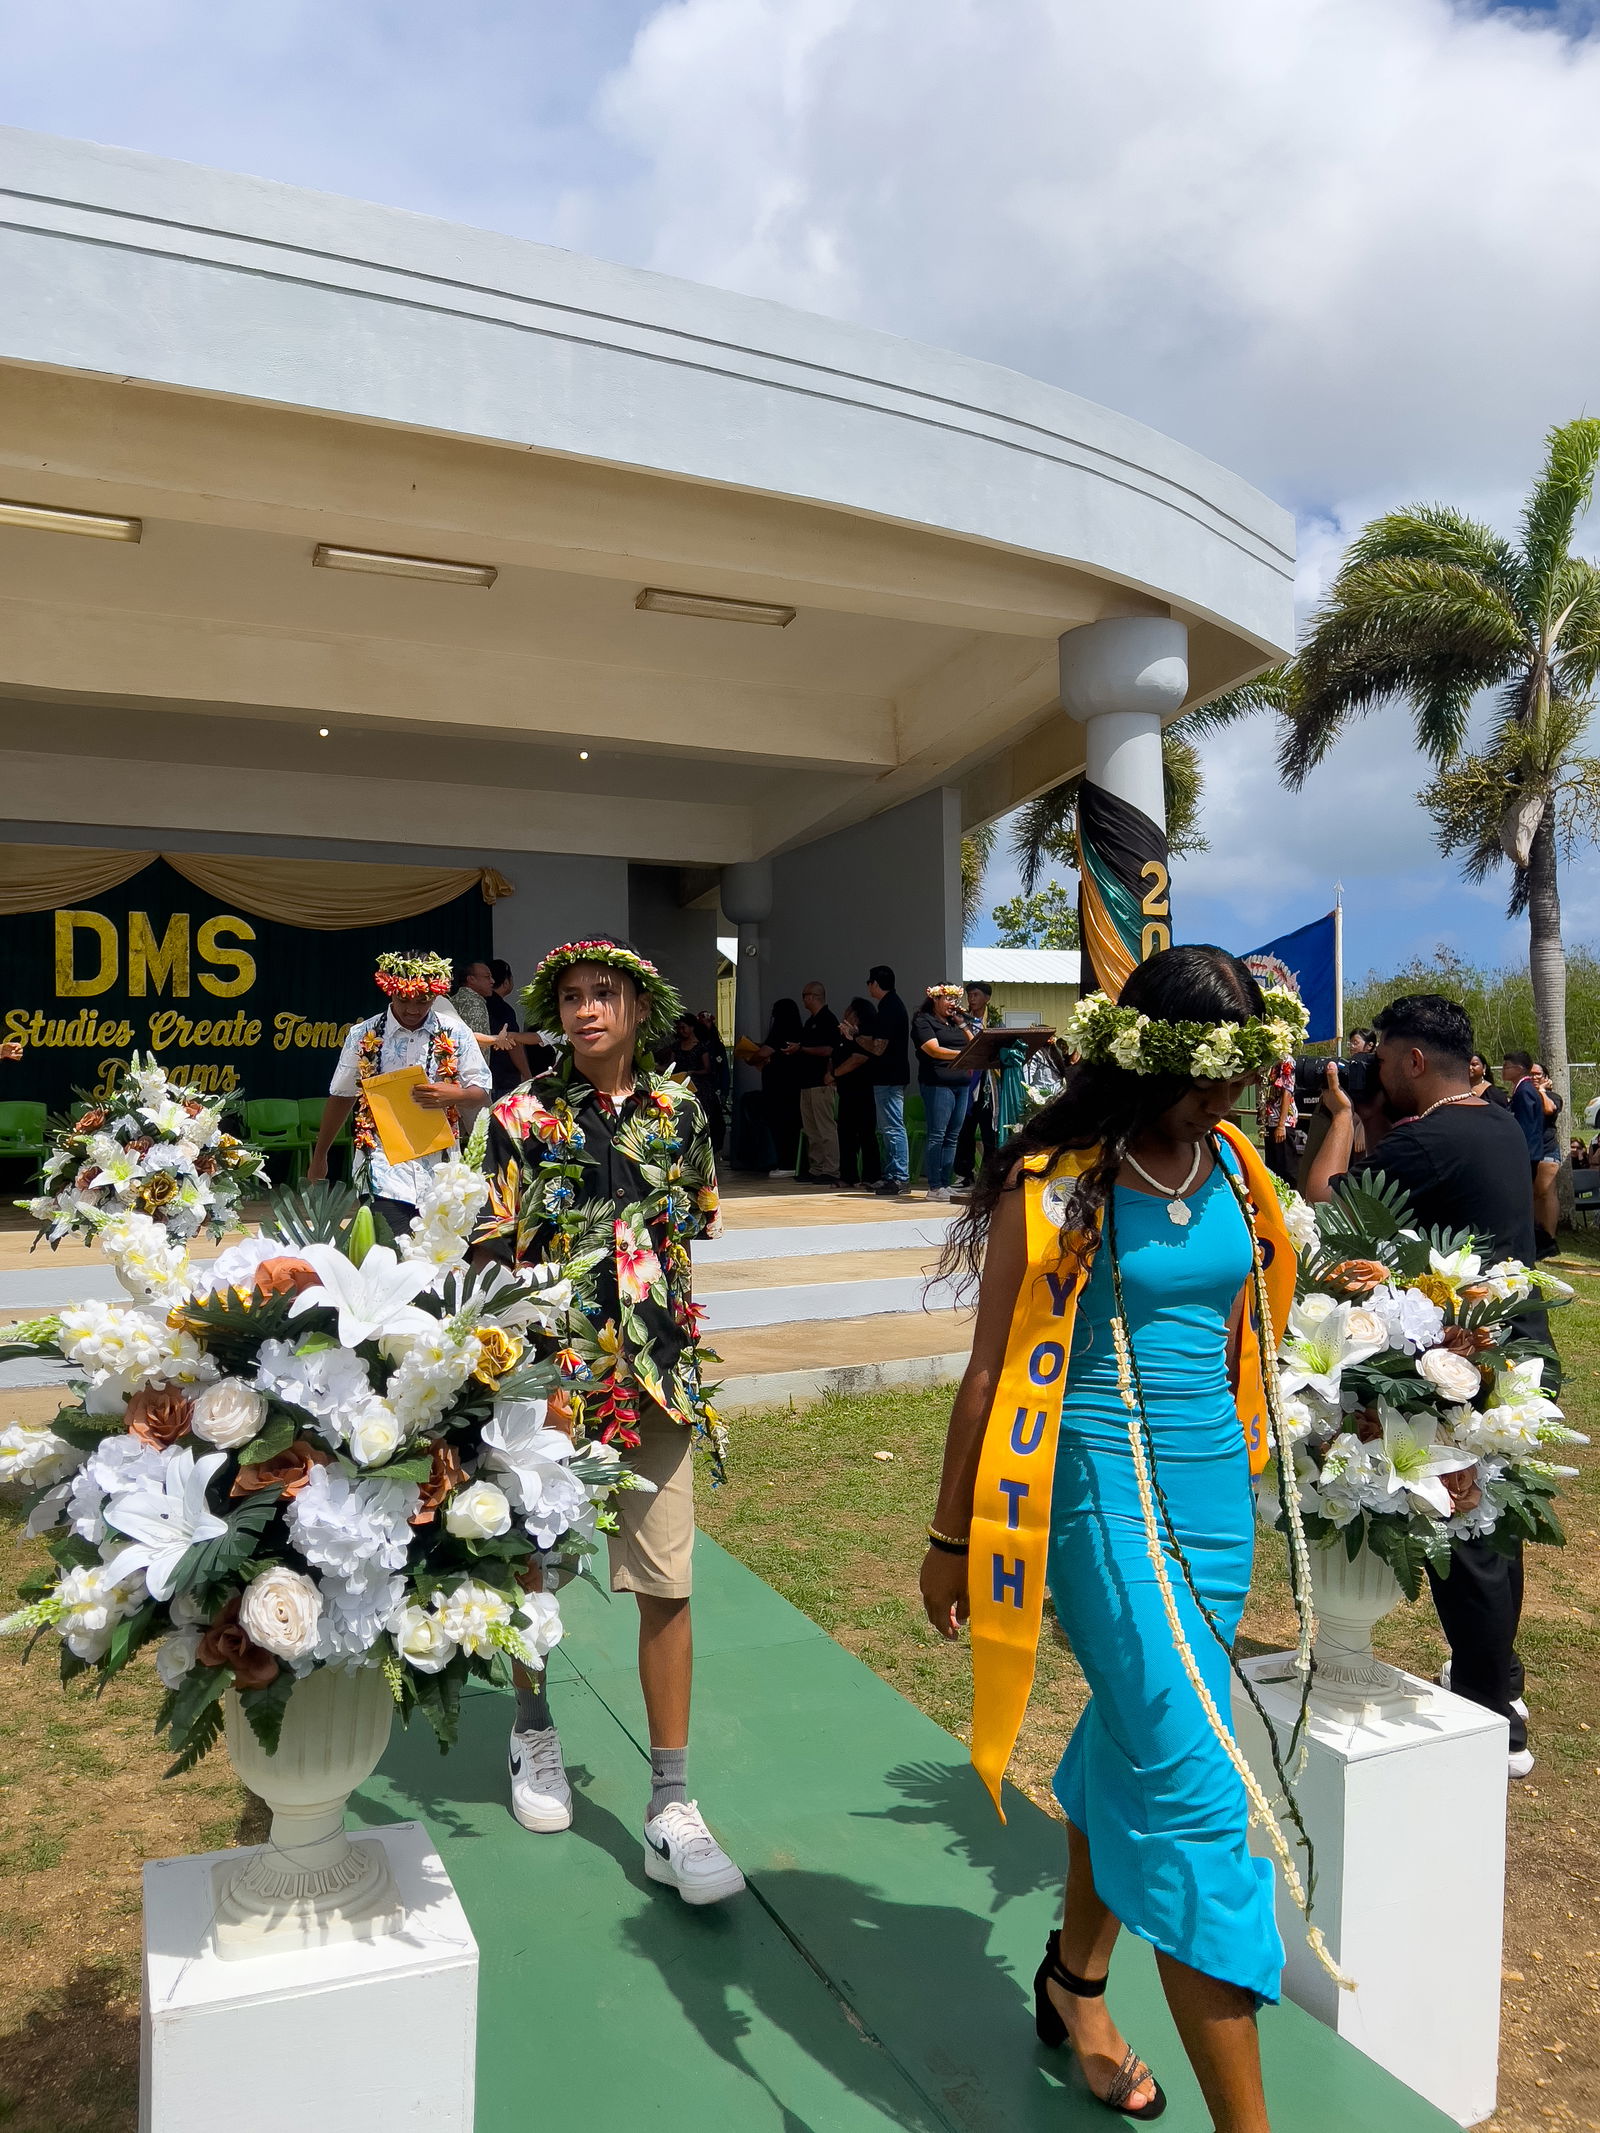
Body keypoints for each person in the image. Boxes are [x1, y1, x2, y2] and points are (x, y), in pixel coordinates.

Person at [923, 947, 1315, 2133]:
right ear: (1146, 1062)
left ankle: (1073, 1986)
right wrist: (950, 1532)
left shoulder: (1236, 1166)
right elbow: (989, 1368)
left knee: (1136, 1738)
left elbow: (1245, 1323)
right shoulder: (1055, 1178)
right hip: (1097, 1497)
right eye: (1208, 1079)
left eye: (1241, 1077)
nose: (1231, 1100)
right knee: (1199, 1797)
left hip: (1215, 1503)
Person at [471, 936, 743, 1903]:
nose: (588, 1011)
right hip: (555, 1376)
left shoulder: (679, 1109)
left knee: (667, 1581)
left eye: (605, 994)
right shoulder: (515, 1116)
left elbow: (697, 1215)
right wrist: (531, 1365)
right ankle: (532, 1730)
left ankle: (671, 1804)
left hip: (660, 1377)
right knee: (531, 1564)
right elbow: (485, 1245)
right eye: (573, 997)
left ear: (639, 1008)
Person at [1307, 996, 1547, 1778]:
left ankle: (1491, 1713)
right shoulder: (1497, 1123)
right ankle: (1500, 1685)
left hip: (1458, 1356)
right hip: (1507, 1339)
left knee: (1463, 1522)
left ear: (1413, 1061)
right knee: (1490, 1521)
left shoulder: (1431, 1141)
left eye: (1381, 1062)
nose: (1372, 1073)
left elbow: (1328, 1206)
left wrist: (1342, 1114)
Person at [310, 948, 492, 1233]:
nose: (412, 1009)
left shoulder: (456, 1033)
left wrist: (455, 1095)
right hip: (382, 1169)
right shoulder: (363, 1035)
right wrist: (320, 1156)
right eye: (403, 999)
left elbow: (482, 1092)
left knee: (437, 1258)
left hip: (442, 1173)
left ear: (437, 995)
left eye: (423, 1001)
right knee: (390, 1251)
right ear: (389, 990)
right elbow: (342, 1096)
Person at [913, 984, 972, 1201]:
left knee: (953, 1136)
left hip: (962, 1084)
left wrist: (964, 1024)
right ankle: (934, 1186)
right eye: (948, 999)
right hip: (938, 1084)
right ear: (935, 999)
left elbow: (975, 1045)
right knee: (937, 1134)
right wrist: (963, 1055)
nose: (953, 1004)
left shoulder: (955, 1023)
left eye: (955, 1000)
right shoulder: (923, 1020)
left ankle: (946, 1184)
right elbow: (933, 1050)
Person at [858, 963, 911, 1198]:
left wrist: (854, 1037)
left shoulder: (889, 1008)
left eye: (869, 982)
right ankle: (890, 1175)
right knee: (887, 1128)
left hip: (889, 1076)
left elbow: (878, 1048)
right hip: (888, 1076)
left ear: (876, 984)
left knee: (892, 1127)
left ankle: (899, 1177)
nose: (868, 987)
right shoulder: (891, 1005)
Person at [1501, 1050, 1553, 1256]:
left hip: (1527, 1153)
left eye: (1507, 1066)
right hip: (1528, 1152)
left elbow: (1526, 1126)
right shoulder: (1521, 1089)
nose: (1503, 1070)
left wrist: (1518, 1150)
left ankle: (1541, 1242)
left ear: (1520, 1068)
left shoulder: (1524, 1091)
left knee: (1522, 1198)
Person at [830, 998, 881, 1189]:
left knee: (866, 1134)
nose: (845, 1013)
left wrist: (834, 1074)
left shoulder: (865, 1035)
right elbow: (835, 1055)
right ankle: (848, 1175)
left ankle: (871, 1175)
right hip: (846, 1091)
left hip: (863, 1089)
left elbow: (858, 1059)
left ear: (856, 1015)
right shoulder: (842, 1035)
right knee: (846, 1133)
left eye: (849, 1011)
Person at [954, 980, 1002, 1189]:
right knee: (964, 1128)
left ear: (987, 998)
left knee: (988, 1129)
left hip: (988, 1081)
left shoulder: (995, 1023)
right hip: (967, 1079)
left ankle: (988, 1176)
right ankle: (964, 1174)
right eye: (969, 995)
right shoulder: (960, 1020)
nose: (971, 999)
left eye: (975, 995)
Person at [795, 981, 842, 1185]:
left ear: (813, 996)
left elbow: (830, 1050)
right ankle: (817, 1168)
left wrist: (802, 1049)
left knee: (825, 1127)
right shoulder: (810, 1021)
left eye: (805, 995)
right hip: (807, 1082)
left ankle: (831, 1169)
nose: (803, 999)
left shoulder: (827, 1020)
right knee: (811, 1129)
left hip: (822, 1082)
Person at [753, 997, 804, 1176]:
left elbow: (763, 1052)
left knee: (780, 1125)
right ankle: (795, 1163)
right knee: (793, 1124)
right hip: (794, 1086)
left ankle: (786, 1164)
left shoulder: (780, 1029)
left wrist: (753, 1057)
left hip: (778, 1087)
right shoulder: (800, 1029)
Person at [485, 958, 532, 1095]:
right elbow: (513, 1043)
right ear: (506, 982)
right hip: (503, 1079)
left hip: (486, 1078)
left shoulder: (481, 1003)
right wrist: (527, 1075)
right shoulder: (503, 1009)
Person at [1531, 1063, 1564, 1246]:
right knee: (1534, 1194)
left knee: (1546, 1192)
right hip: (1529, 1151)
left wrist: (1542, 1091)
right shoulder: (1523, 1096)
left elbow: (1548, 1110)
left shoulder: (1553, 1097)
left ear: (1546, 1077)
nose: (1534, 1077)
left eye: (1538, 1074)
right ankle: (1537, 1234)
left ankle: (1550, 1237)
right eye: (1531, 1074)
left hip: (1547, 1150)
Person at [449, 957, 494, 1040]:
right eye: (487, 977)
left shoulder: (455, 999)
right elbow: (475, 1041)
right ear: (471, 979)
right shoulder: (474, 1003)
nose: (492, 981)